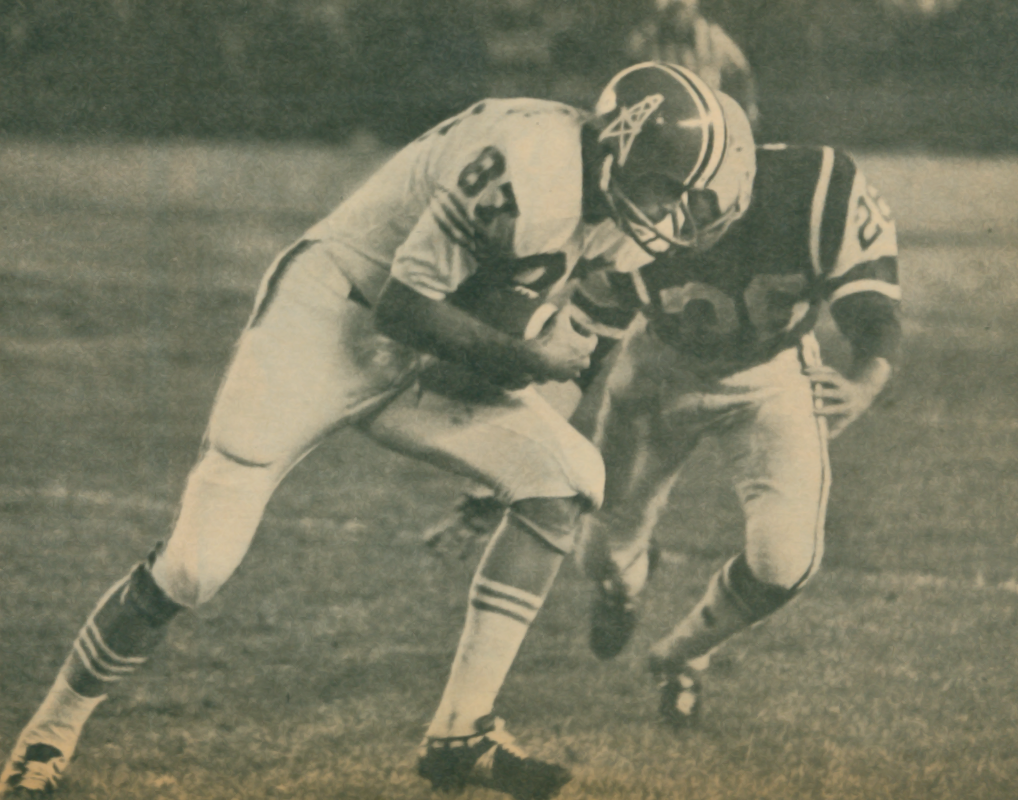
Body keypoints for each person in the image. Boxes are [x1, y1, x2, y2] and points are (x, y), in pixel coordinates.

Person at [0, 63, 747, 800]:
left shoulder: (615, 211)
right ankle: (48, 732)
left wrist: (515, 414)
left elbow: (562, 347)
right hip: (328, 319)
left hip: (426, 345)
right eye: (666, 188)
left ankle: (462, 731)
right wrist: (525, 354)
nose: (671, 214)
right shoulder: (528, 166)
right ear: (618, 148)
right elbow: (404, 308)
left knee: (566, 477)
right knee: (197, 566)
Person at [429, 140, 901, 731]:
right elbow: (577, 357)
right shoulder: (635, 203)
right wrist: (492, 481)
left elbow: (874, 309)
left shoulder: (815, 184)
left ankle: (680, 656)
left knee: (785, 562)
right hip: (657, 374)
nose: (680, 213)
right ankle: (627, 580)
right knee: (599, 557)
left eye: (700, 193)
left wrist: (864, 383)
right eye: (673, 190)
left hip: (772, 379)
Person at [627, 0, 759, 128]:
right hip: (665, 119)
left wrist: (750, 109)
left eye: (682, 10)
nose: (678, 17)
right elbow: (629, 66)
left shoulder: (712, 37)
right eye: (672, 12)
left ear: (693, 10)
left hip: (706, 118)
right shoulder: (649, 38)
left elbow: (742, 72)